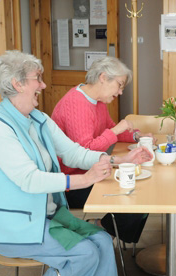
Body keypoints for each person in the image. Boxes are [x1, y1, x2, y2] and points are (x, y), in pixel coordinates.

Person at [0, 50, 152, 276]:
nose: (44, 85)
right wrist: (84, 179)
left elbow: (73, 153)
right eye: (38, 78)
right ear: (18, 83)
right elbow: (29, 179)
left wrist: (118, 159)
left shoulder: (38, 119)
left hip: (46, 217)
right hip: (13, 227)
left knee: (101, 240)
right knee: (85, 255)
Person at [51, 56, 153, 243]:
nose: (121, 92)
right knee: (134, 197)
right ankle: (100, 229)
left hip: (93, 170)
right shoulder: (76, 103)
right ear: (103, 77)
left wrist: (137, 136)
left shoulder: (97, 102)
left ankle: (107, 231)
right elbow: (85, 151)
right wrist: (116, 130)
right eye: (120, 85)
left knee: (141, 191)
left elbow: (111, 131)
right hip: (72, 182)